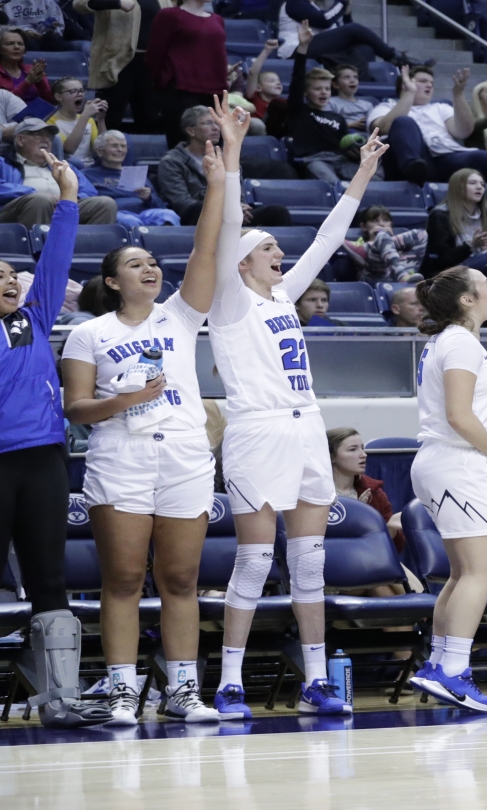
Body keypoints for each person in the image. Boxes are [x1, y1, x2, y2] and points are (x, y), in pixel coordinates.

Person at [206, 115, 387, 721]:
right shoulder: (228, 302)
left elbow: (328, 239)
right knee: (255, 560)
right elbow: (229, 224)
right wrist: (232, 154)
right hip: (256, 428)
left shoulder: (283, 295)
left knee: (310, 563)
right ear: (241, 263)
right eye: (267, 249)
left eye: (277, 248)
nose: (279, 253)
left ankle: (316, 680)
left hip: (306, 423)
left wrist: (362, 172)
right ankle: (229, 681)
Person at [59, 114, 229, 726]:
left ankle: (183, 689)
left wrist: (219, 182)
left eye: (154, 262)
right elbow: (76, 409)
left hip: (183, 452)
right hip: (120, 452)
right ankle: (123, 687)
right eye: (136, 263)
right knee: (125, 578)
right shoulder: (89, 335)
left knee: (181, 578)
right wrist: (123, 401)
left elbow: (207, 248)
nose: (150, 268)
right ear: (112, 280)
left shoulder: (181, 317)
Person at [0, 150, 112, 729]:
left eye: (9, 274)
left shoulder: (35, 317)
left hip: (44, 459)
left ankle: (60, 701)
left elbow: (55, 260)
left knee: (49, 576)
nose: (9, 281)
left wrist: (67, 197)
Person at [402, 266, 487, 712]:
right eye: (486, 283)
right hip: (458, 461)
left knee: (463, 572)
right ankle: (453, 672)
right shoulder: (461, 342)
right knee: (481, 572)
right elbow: (459, 415)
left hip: (443, 462)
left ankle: (439, 664)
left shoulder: (448, 341)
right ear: (467, 300)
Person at [156, 106, 292, 228]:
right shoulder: (171, 162)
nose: (215, 128)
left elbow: (240, 195)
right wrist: (225, 209)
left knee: (278, 212)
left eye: (217, 123)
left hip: (231, 211)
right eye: (208, 123)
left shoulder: (227, 157)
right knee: (196, 209)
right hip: (197, 215)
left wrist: (239, 208)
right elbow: (182, 203)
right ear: (191, 131)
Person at [368, 66, 487, 186]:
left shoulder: (441, 107)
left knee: (484, 158)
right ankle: (413, 170)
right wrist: (409, 93)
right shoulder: (385, 107)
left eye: (431, 83)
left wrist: (458, 94)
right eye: (423, 81)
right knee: (403, 122)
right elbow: (382, 129)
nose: (429, 85)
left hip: (444, 157)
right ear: (404, 84)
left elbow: (464, 131)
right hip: (408, 162)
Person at [0, 118, 119, 226]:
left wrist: (71, 198)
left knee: (105, 203)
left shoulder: (64, 166)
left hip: (63, 205)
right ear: (20, 140)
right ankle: (38, 249)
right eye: (38, 135)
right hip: (21, 209)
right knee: (40, 201)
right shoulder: (4, 163)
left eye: (49, 137)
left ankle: (89, 248)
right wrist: (32, 193)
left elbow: (89, 190)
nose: (45, 140)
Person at [422, 168, 487, 284]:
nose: (479, 187)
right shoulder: (440, 216)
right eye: (472, 183)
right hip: (453, 270)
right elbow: (442, 260)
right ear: (458, 187)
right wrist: (471, 246)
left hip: (481, 268)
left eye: (482, 185)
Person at [146, 0, 225, 147]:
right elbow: (155, 54)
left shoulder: (217, 19)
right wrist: (165, 83)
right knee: (182, 142)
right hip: (181, 90)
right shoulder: (169, 15)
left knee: (215, 146)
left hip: (215, 90)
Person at [286, 25, 356, 185]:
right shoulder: (299, 111)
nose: (324, 92)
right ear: (306, 92)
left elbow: (344, 146)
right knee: (336, 184)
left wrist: (354, 152)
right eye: (317, 89)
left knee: (369, 177)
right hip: (314, 160)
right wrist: (303, 47)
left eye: (327, 89)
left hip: (341, 161)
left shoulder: (338, 118)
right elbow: (297, 80)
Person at [276, 0, 429, 70]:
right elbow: (324, 21)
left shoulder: (316, 8)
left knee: (366, 48)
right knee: (355, 32)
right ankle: (397, 59)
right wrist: (341, 2)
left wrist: (347, 14)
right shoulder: (294, 3)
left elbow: (347, 32)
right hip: (295, 51)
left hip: (317, 49)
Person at [83, 131, 181, 227]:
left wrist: (149, 198)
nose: (120, 150)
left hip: (145, 213)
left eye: (123, 146)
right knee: (130, 221)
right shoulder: (87, 175)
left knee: (169, 216)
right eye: (114, 146)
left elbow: (161, 206)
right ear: (100, 151)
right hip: (116, 213)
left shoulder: (137, 173)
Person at [327, 428, 402, 544]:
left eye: (362, 448)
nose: (364, 455)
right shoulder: (313, 495)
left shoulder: (373, 492)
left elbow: (397, 547)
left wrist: (391, 528)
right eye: (353, 450)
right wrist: (359, 513)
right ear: (331, 457)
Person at [351, 204, 425, 283]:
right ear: (364, 227)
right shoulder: (359, 244)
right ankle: (403, 276)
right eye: (375, 221)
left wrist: (390, 239)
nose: (382, 224)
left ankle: (406, 277)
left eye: (386, 220)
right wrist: (376, 239)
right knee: (382, 236)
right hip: (373, 279)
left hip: (399, 277)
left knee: (422, 234)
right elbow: (361, 264)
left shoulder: (399, 241)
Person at [46, 76, 105, 167]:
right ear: (59, 97)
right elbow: (68, 150)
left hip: (90, 167)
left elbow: (101, 148)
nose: (80, 94)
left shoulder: (89, 120)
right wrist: (85, 116)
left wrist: (101, 119)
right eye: (73, 91)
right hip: (68, 167)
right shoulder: (50, 121)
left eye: (81, 90)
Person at [0, 27, 51, 103]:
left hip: (38, 113)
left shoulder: (32, 70)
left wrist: (41, 83)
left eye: (20, 44)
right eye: (10, 43)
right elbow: (4, 103)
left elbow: (50, 100)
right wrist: (28, 82)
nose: (17, 47)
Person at [3, 0, 68, 51]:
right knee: (31, 45)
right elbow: (2, 28)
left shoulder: (48, 2)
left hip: (46, 37)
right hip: (17, 37)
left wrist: (51, 28)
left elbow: (59, 26)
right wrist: (23, 32)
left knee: (65, 47)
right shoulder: (4, 3)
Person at [326, 63, 374, 131]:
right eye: (346, 77)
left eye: (355, 77)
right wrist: (351, 125)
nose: (352, 80)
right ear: (335, 84)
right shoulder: (331, 103)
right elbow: (328, 123)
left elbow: (373, 124)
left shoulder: (367, 105)